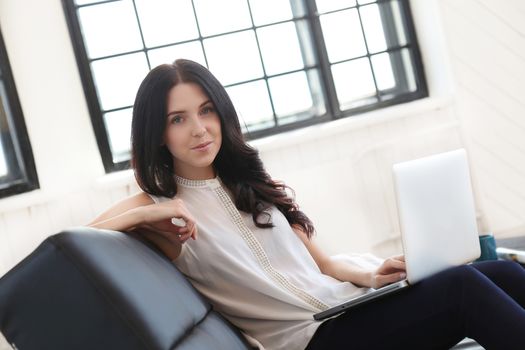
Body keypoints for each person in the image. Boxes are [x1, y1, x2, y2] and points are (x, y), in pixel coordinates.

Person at [89, 59, 525, 350]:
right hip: (310, 340)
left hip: (344, 308)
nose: (200, 129)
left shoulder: (251, 184)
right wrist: (149, 211)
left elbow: (326, 266)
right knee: (465, 290)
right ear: (157, 133)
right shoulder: (163, 208)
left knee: (504, 271)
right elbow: (77, 240)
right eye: (177, 119)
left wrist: (374, 275)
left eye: (207, 111)